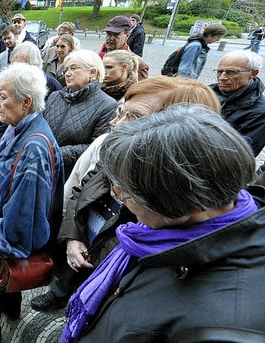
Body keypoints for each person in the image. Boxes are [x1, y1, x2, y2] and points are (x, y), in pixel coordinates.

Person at [61, 105, 265, 342]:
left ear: (187, 204)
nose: (119, 198)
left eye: (124, 194)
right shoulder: (158, 234)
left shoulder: (222, 328)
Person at [33, 76, 221, 313]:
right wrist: (72, 237)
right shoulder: (116, 153)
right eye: (121, 112)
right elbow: (80, 191)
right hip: (81, 250)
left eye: (134, 117)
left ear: (180, 130)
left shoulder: (172, 210)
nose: (115, 124)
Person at [0, 63, 64, 343]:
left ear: (26, 102)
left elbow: (23, 217)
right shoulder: (17, 127)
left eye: (3, 96)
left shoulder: (33, 147)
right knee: (8, 284)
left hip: (1, 245)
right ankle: (13, 310)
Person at [43, 49, 117, 175]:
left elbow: (94, 148)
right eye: (66, 69)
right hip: (42, 167)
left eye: (73, 68)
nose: (67, 74)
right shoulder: (54, 96)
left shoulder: (107, 105)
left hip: (70, 174)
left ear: (92, 73)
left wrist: (54, 154)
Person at [210, 50, 265, 156]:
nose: (222, 77)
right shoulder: (206, 92)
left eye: (231, 72)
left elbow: (241, 154)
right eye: (219, 71)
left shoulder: (260, 112)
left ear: (253, 74)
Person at [98, 16, 149, 80]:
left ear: (127, 35)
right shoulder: (96, 58)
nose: (111, 38)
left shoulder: (138, 64)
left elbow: (141, 89)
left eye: (116, 34)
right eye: (108, 34)